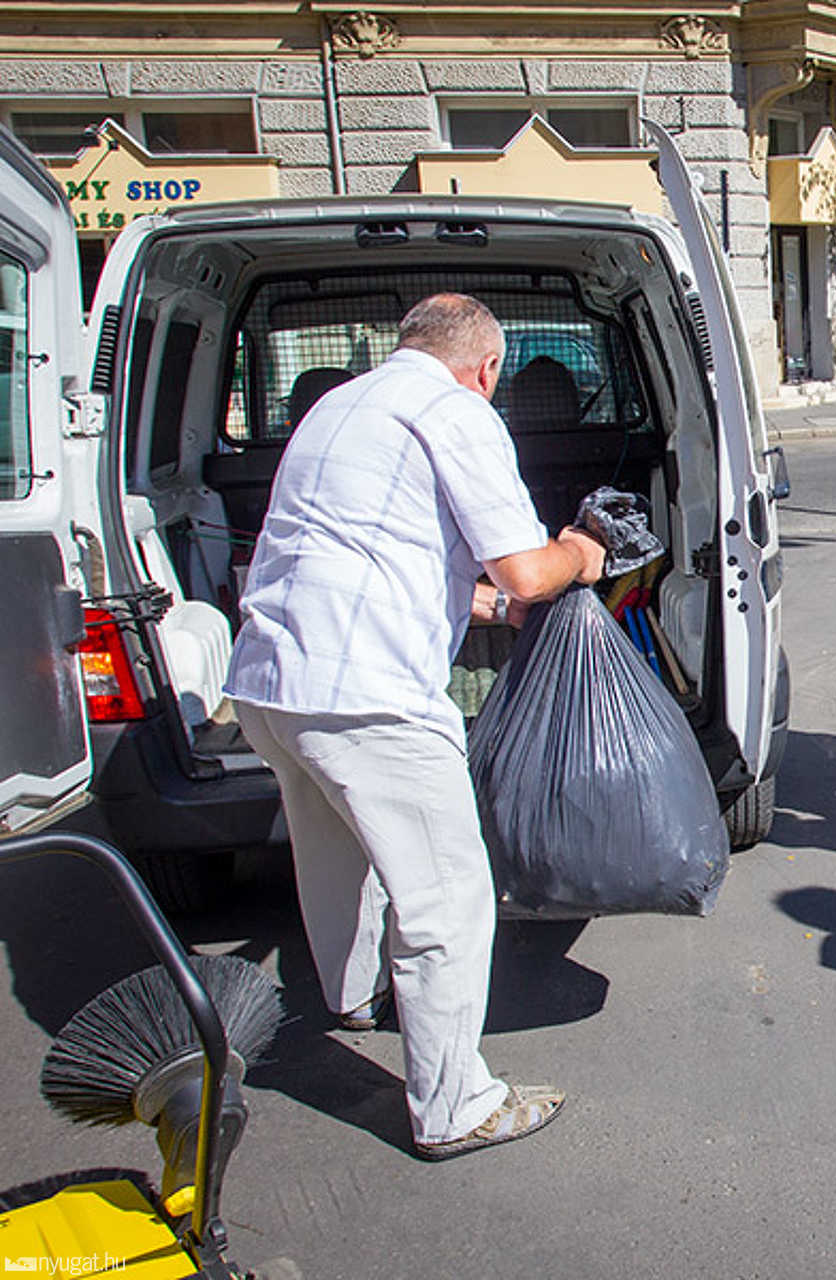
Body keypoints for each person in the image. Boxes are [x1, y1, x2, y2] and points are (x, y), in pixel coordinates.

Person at [224, 293, 607, 1161]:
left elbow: (367, 550)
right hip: (369, 696)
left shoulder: (339, 405)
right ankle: (453, 1105)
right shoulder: (455, 410)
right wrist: (583, 550)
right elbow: (527, 567)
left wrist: (479, 605)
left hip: (272, 685)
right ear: (487, 367)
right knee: (447, 895)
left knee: (334, 853)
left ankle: (356, 996)